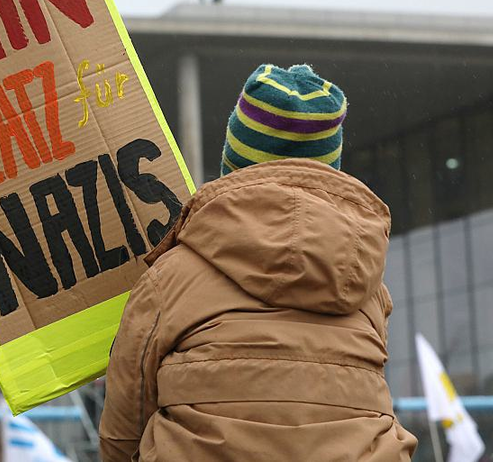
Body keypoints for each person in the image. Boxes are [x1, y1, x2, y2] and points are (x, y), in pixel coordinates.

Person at [99, 64, 418, 461]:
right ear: (330, 171)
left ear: (233, 164)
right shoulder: (367, 289)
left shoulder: (171, 277)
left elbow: (125, 424)